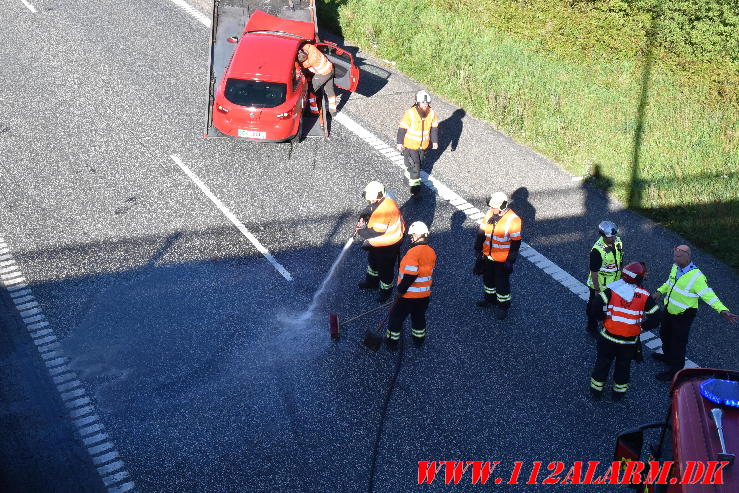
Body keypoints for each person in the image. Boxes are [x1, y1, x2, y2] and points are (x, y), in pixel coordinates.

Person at [652, 245, 738, 381]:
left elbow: (709, 295)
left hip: (683, 316)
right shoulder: (676, 267)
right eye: (674, 256)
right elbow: (670, 282)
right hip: (669, 310)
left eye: (678, 257)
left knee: (678, 343)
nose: (674, 259)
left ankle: (675, 371)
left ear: (688, 256)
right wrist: (660, 291)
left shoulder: (697, 277)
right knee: (664, 334)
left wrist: (722, 310)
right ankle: (668, 356)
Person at [589, 262, 660, 401]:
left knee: (602, 363)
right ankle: (618, 393)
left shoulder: (614, 289)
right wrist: (641, 327)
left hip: (608, 337)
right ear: (638, 278)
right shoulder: (645, 296)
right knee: (623, 366)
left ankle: (596, 390)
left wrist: (603, 318)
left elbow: (596, 304)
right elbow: (656, 317)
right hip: (628, 342)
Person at [385, 221, 437, 350]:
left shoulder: (413, 253)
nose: (411, 238)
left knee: (395, 319)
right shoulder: (431, 252)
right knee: (418, 319)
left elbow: (410, 275)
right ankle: (418, 341)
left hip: (408, 296)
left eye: (413, 235)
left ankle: (391, 343)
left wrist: (400, 291)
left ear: (419, 235)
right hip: (424, 296)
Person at [473, 192, 522, 320]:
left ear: (503, 206)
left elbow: (515, 243)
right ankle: (489, 299)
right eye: (491, 206)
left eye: (494, 206)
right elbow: (482, 233)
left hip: (502, 260)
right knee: (487, 280)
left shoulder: (513, 220)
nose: (492, 209)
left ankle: (503, 306)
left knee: (502, 284)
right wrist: (477, 248)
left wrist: (510, 260)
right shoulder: (490, 214)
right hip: (487, 256)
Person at [355, 181, 405, 302]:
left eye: (371, 199)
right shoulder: (381, 199)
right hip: (378, 243)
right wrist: (362, 217)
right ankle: (371, 282)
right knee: (372, 263)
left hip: (388, 245)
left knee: (385, 269)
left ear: (378, 196)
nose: (370, 202)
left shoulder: (385, 210)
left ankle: (385, 291)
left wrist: (361, 231)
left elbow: (375, 232)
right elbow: (370, 208)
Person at [396, 90, 439, 196]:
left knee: (418, 166)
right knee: (416, 167)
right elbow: (402, 129)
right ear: (417, 103)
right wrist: (399, 142)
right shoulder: (410, 113)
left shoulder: (432, 113)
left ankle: (407, 178)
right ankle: (415, 190)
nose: (425, 105)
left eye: (427, 103)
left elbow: (434, 128)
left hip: (422, 146)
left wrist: (435, 141)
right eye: (423, 103)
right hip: (410, 146)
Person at [585, 221, 623, 335]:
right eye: (610, 236)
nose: (613, 238)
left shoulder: (618, 242)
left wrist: (622, 275)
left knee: (610, 306)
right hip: (600, 285)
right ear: (603, 235)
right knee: (594, 306)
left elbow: (620, 258)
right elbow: (594, 272)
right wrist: (597, 289)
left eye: (614, 235)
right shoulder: (597, 250)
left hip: (614, 282)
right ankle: (591, 327)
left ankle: (607, 326)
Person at [297, 44, 337, 115]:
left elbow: (300, 66)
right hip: (330, 68)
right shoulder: (310, 47)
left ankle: (313, 111)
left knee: (310, 90)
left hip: (323, 74)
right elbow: (305, 46)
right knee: (330, 90)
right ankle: (333, 110)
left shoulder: (308, 62)